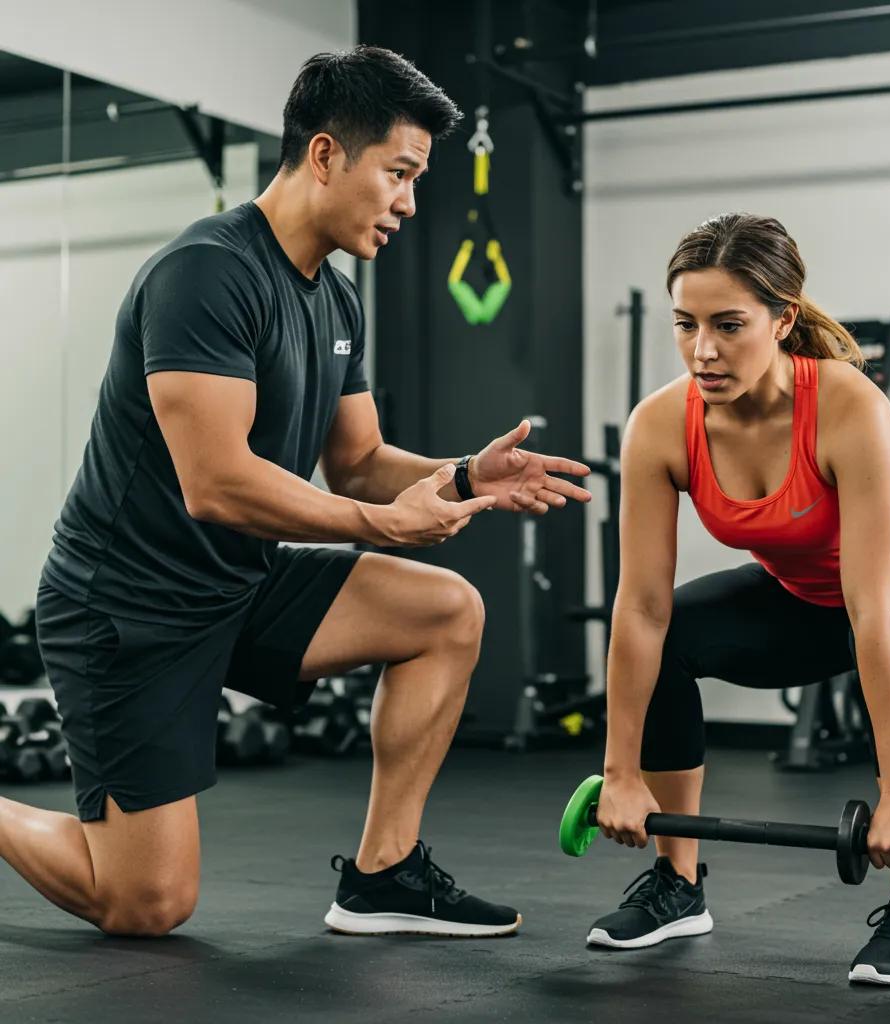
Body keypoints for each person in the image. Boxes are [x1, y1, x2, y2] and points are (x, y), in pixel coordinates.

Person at [0, 46, 590, 939]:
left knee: (445, 613)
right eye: (398, 173)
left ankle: (383, 875)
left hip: (238, 585)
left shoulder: (336, 300)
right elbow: (217, 482)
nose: (409, 202)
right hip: (128, 608)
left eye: (418, 178)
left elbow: (356, 462)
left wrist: (467, 474)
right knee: (147, 905)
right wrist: (382, 522)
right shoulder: (205, 273)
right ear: (324, 155)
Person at [587, 213, 890, 986]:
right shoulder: (661, 425)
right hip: (808, 601)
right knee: (669, 630)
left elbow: (872, 612)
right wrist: (619, 770)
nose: (703, 349)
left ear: (783, 319)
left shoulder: (848, 407)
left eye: (729, 325)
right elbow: (639, 607)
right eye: (686, 324)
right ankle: (679, 883)